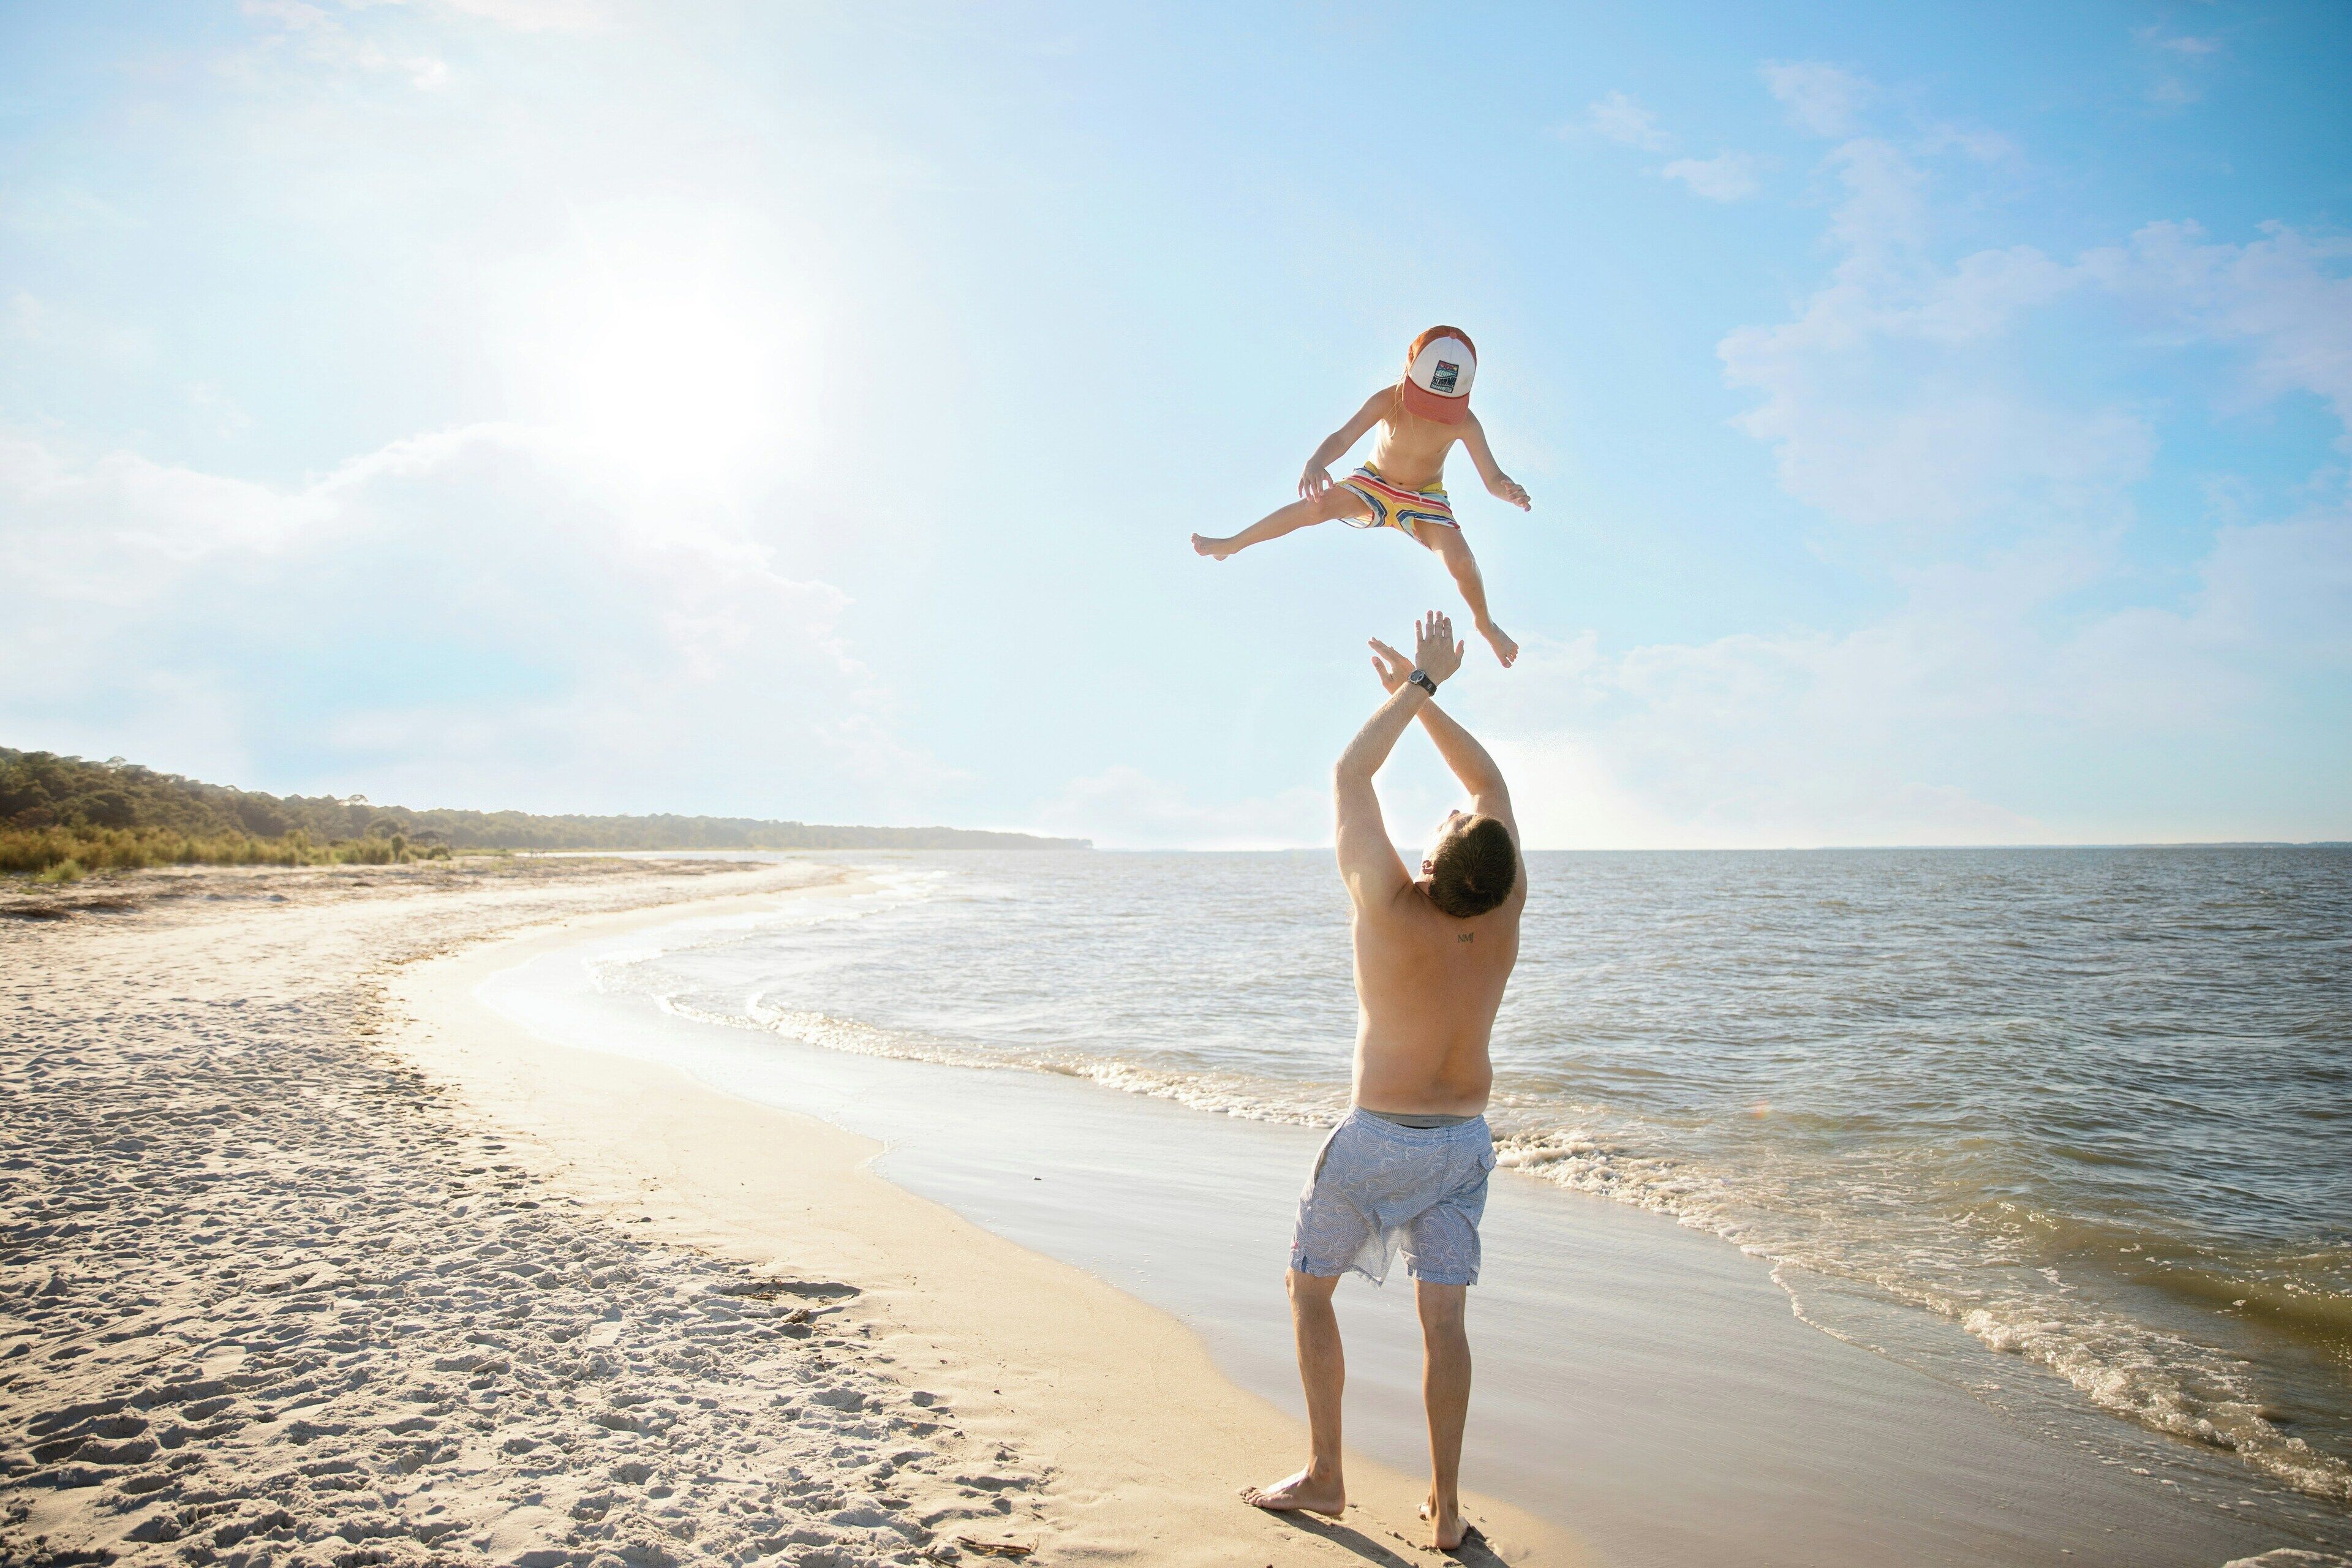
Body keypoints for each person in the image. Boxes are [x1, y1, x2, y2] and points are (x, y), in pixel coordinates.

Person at [1243, 611, 1526, 1551]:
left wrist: (1418, 687)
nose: (1453, 812)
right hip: (1463, 1147)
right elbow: (1487, 785)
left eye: (1445, 827)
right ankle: (1444, 1512)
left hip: (1375, 1145)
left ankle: (1327, 1475)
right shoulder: (1506, 907)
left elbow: (1350, 775)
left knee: (1309, 1293)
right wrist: (1427, 689)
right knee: (1443, 1319)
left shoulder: (1387, 907)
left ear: (1433, 861)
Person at [1191, 327, 1533, 669]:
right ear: (1408, 372)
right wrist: (1316, 462)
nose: (1431, 413)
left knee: (1462, 563)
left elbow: (1492, 477)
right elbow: (1342, 439)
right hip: (1375, 484)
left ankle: (1484, 623)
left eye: (1441, 406)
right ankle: (1233, 544)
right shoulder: (1389, 399)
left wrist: (1508, 490)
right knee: (1318, 505)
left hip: (1424, 499)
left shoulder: (1465, 422)